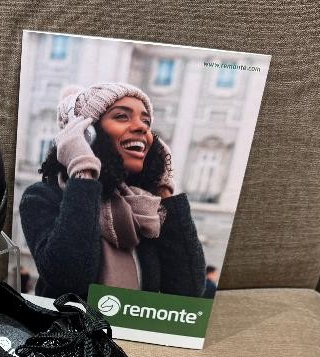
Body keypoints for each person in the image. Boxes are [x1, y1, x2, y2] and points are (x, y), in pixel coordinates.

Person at [20, 82, 206, 299]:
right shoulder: (42, 197)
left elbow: (188, 291)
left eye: (146, 121)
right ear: (87, 133)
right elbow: (68, 278)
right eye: (122, 116)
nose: (142, 128)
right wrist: (83, 170)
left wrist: (163, 187)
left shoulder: (147, 209)